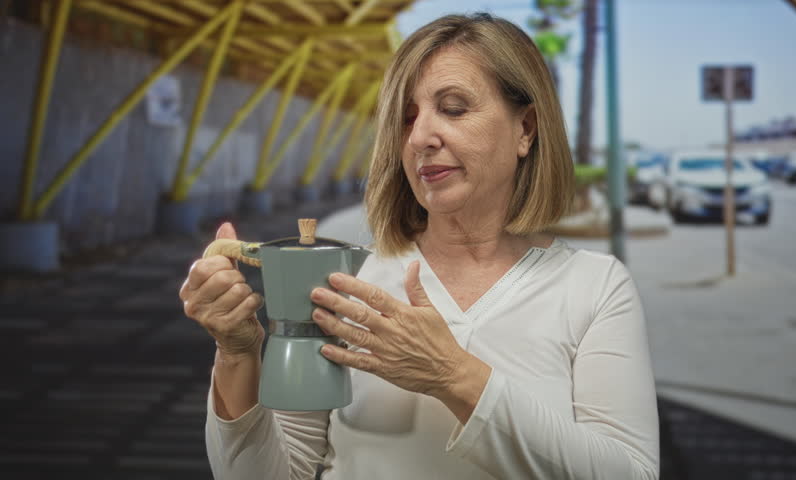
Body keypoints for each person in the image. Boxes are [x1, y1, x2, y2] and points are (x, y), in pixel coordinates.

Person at [179, 13, 659, 480]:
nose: (420, 138)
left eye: (453, 108)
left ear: (526, 129)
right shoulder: (349, 282)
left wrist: (453, 375)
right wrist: (238, 354)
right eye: (406, 119)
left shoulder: (595, 287)